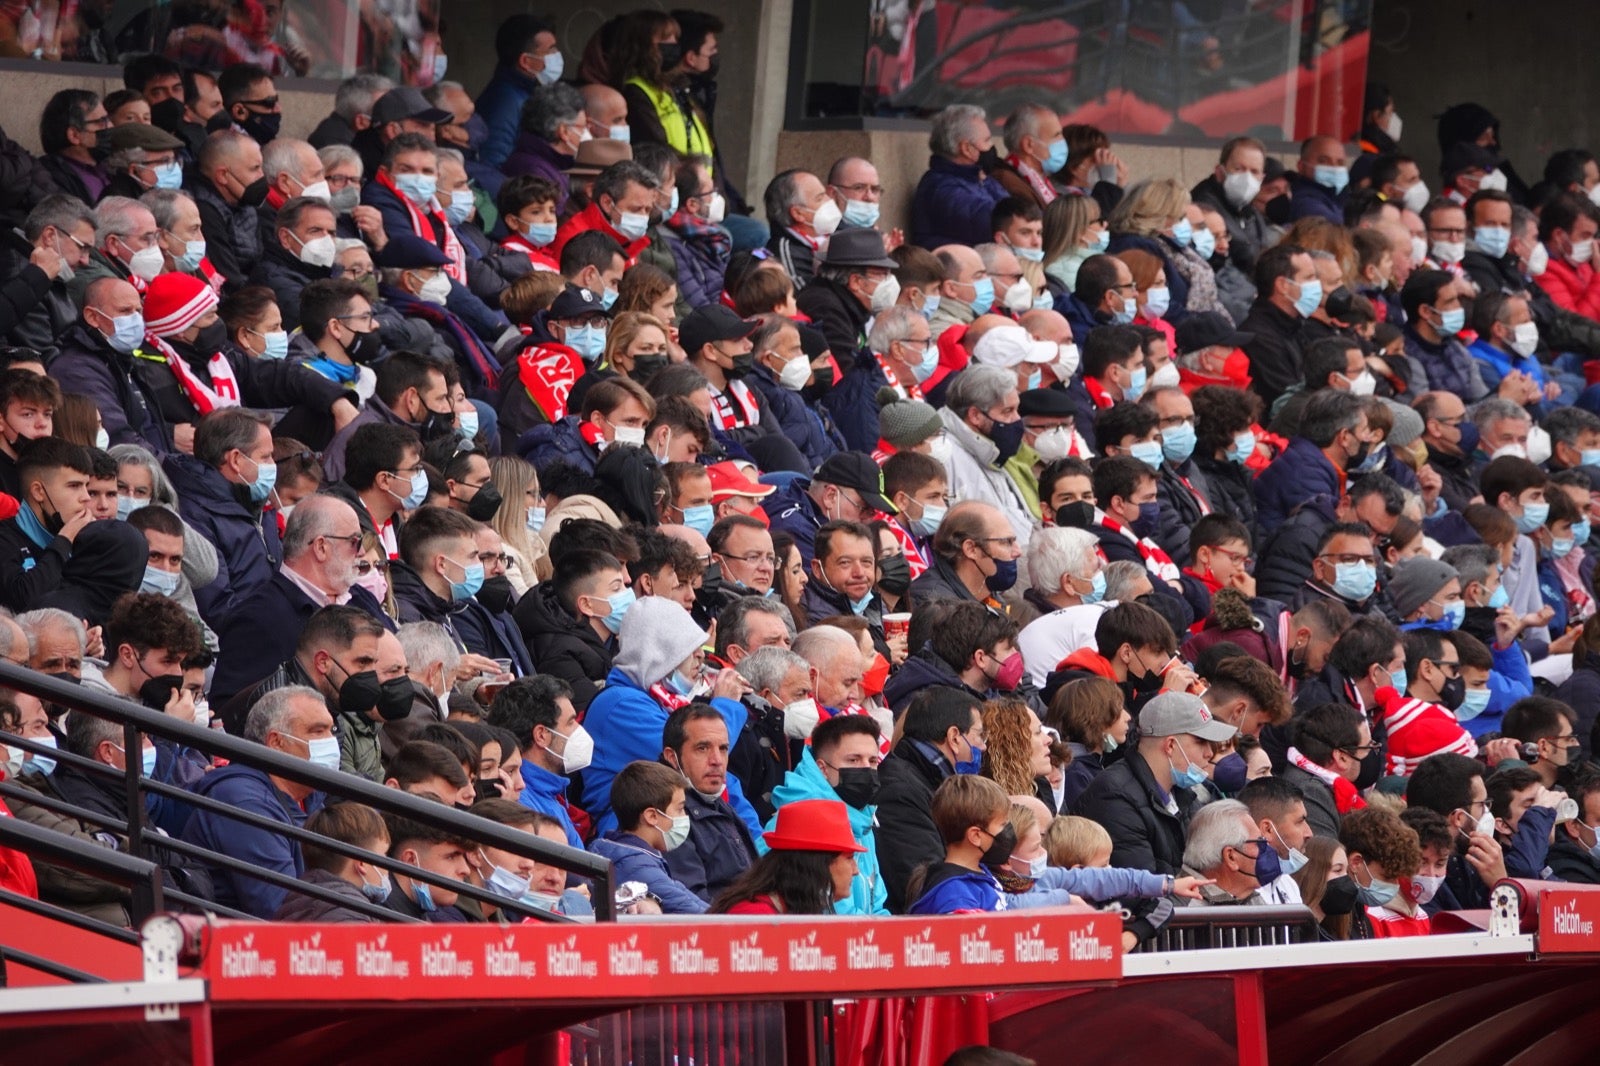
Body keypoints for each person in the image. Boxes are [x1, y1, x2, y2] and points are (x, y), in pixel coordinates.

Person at [181, 686, 332, 918]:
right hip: (234, 938)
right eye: (318, 731)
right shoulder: (242, 800)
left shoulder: (310, 796)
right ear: (276, 742)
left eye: (331, 730)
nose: (330, 741)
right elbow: (282, 911)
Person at [1071, 691, 1235, 875]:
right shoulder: (1115, 798)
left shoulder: (1181, 790)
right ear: (1170, 745)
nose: (1209, 753)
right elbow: (1142, 887)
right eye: (1201, 742)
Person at [164, 408, 283, 625]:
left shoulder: (253, 500)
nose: (272, 465)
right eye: (266, 457)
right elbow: (216, 608)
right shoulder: (195, 514)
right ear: (236, 459)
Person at [762, 712, 886, 914]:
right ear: (822, 768)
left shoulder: (863, 820)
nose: (866, 769)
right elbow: (829, 911)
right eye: (854, 760)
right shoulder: (798, 822)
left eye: (872, 761)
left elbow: (877, 904)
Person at [875, 686, 983, 911]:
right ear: (954, 737)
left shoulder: (927, 780)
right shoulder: (900, 790)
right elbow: (923, 882)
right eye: (979, 735)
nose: (983, 746)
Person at [659, 702, 757, 904]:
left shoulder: (714, 801)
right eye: (702, 748)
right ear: (672, 757)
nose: (717, 760)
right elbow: (693, 905)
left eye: (723, 749)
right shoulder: (669, 816)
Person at [589, 759, 708, 914]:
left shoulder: (639, 858)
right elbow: (696, 913)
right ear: (652, 816)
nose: (684, 816)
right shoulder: (636, 867)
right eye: (680, 809)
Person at [712, 798, 865, 915]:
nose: (856, 870)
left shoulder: (795, 908)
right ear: (817, 863)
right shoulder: (755, 916)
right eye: (849, 858)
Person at [0, 438, 92, 613]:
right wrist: (64, 541)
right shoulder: (5, 540)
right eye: (74, 486)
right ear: (38, 492)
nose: (86, 497)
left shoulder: (86, 541)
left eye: (87, 486)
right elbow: (25, 601)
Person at [906, 773, 1014, 914]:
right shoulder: (955, 895)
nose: (1007, 830)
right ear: (976, 835)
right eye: (1002, 824)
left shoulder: (978, 871)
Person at [274, 802, 392, 922]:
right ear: (362, 863)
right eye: (384, 854)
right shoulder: (350, 917)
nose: (387, 866)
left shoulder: (304, 899)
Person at [911, 105, 1007, 250]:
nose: (991, 146)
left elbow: (1016, 210)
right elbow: (1001, 223)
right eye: (987, 140)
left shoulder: (979, 178)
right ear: (967, 149)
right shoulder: (941, 188)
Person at [1283, 701, 1372, 840]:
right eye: (1368, 748)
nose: (1372, 754)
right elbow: (1326, 852)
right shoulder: (1311, 793)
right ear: (1342, 757)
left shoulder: (1327, 786)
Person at [1341, 807, 1428, 938]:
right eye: (1387, 877)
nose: (1395, 885)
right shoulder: (1332, 914)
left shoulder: (1360, 914)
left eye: (1396, 878)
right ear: (1356, 863)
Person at [1176, 799, 1277, 907]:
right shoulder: (1183, 910)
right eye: (1260, 843)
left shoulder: (1249, 898)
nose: (1268, 848)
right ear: (1231, 857)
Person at [1237, 776, 1311, 905]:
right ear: (1268, 829)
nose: (1309, 833)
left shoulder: (1287, 884)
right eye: (1299, 822)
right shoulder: (1237, 888)